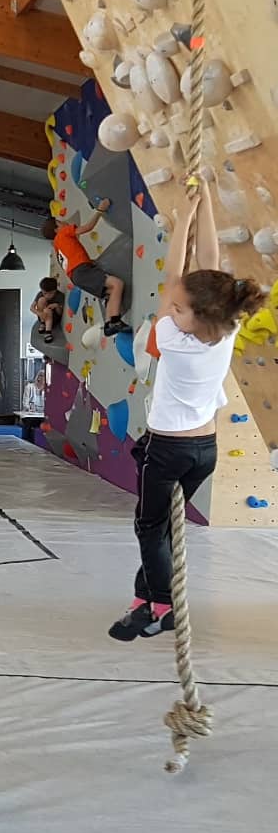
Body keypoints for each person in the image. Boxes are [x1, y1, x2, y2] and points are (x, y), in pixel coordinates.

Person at [110, 185, 265, 641]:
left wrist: (184, 221)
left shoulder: (173, 337)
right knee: (164, 530)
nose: (170, 310)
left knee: (149, 527)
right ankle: (146, 597)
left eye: (178, 309)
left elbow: (175, 273)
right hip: (205, 450)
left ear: (192, 315)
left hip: (169, 449)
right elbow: (208, 269)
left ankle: (163, 603)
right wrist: (207, 208)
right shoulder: (226, 326)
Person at [44, 200, 129, 336]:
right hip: (81, 271)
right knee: (117, 284)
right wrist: (100, 210)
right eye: (60, 221)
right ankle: (113, 321)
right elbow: (88, 227)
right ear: (56, 228)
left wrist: (89, 262)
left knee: (110, 291)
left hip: (77, 276)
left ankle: (110, 323)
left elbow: (71, 258)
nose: (64, 222)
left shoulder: (57, 246)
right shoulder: (63, 233)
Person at [30, 277, 64, 345]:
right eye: (44, 293)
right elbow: (31, 308)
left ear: (55, 290)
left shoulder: (60, 296)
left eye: (50, 293)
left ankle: (48, 332)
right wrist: (39, 313)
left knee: (47, 310)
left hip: (54, 319)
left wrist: (56, 306)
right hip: (42, 317)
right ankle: (43, 323)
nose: (47, 296)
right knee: (41, 300)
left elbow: (60, 313)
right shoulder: (40, 294)